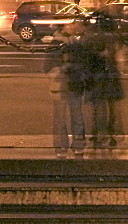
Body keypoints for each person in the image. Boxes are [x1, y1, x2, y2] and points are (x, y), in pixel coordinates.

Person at [45, 26, 88, 157]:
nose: (73, 26)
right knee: (71, 116)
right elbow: (48, 67)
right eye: (70, 24)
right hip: (66, 85)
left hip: (65, 85)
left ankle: (62, 147)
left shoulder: (72, 43)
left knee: (65, 117)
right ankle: (75, 145)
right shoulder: (60, 44)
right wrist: (65, 69)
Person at [85, 11, 123, 148]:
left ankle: (98, 134)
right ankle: (110, 133)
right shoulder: (112, 36)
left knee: (98, 106)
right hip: (109, 73)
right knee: (109, 106)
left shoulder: (93, 35)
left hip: (98, 73)